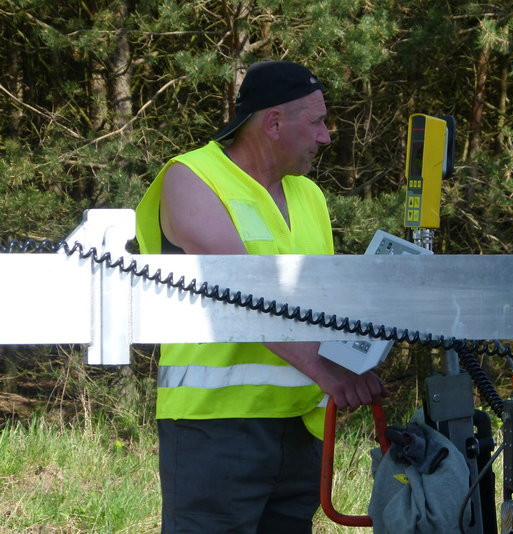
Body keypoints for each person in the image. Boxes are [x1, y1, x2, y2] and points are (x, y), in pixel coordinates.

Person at [135, 60, 387, 533]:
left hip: (300, 426)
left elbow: (320, 307)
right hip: (216, 427)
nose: (326, 136)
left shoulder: (310, 196)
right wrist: (327, 371)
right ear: (273, 123)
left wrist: (355, 360)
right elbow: (243, 294)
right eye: (316, 122)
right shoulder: (191, 178)